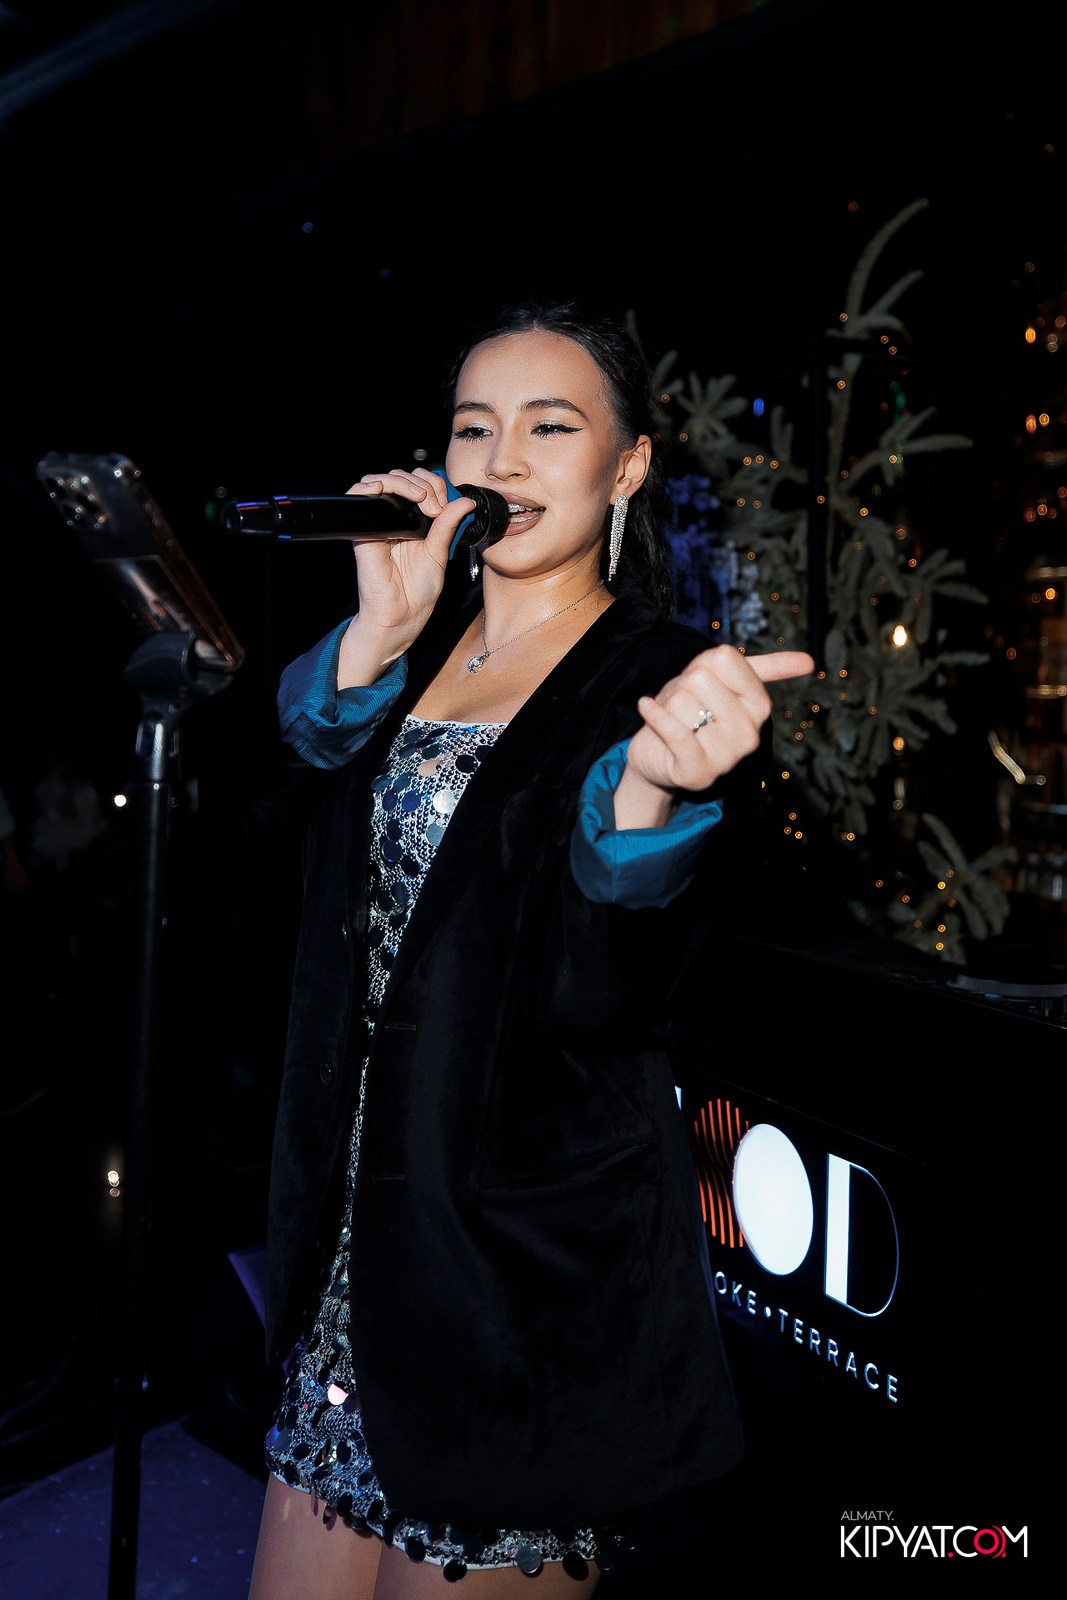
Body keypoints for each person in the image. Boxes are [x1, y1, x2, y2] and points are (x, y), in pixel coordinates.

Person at [248, 299, 814, 1599]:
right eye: (473, 429)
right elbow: (263, 841)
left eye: (549, 427)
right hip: (352, 1259)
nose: (501, 459)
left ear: (628, 466)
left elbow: (603, 995)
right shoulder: (404, 643)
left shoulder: (666, 683)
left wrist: (647, 800)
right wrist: (372, 638)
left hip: (519, 1290)